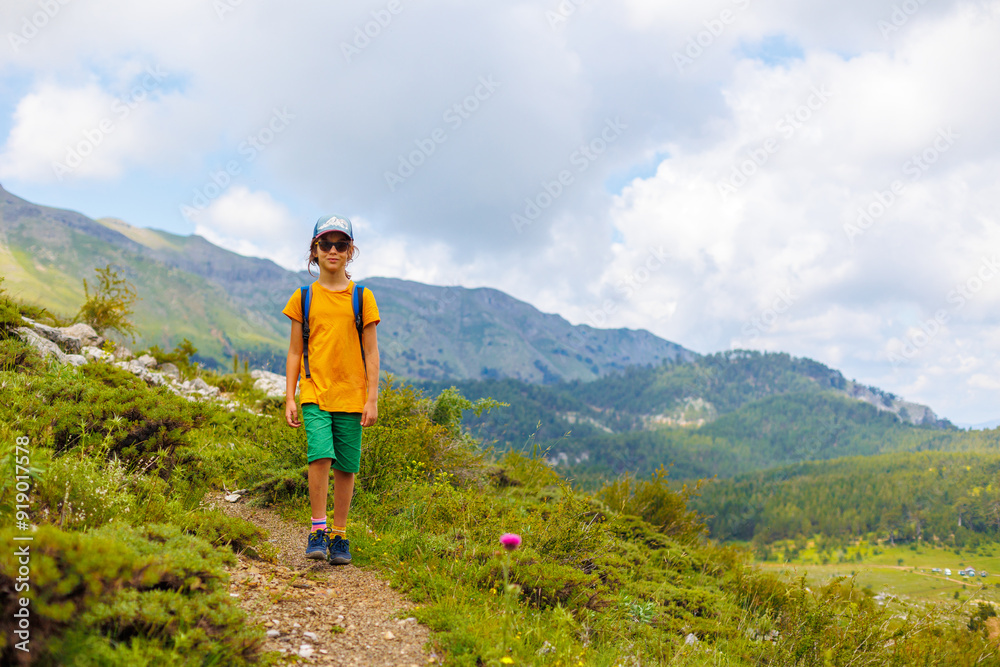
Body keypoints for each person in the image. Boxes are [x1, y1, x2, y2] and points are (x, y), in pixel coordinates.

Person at [282, 214, 380, 565]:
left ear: (351, 250)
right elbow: (295, 350)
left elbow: (371, 351)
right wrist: (290, 395)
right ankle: (317, 530)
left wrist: (372, 398)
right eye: (326, 244)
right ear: (315, 251)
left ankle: (339, 535)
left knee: (346, 466)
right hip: (315, 391)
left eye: (341, 244)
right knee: (320, 454)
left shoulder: (362, 297)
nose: (333, 250)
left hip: (352, 394)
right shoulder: (303, 297)